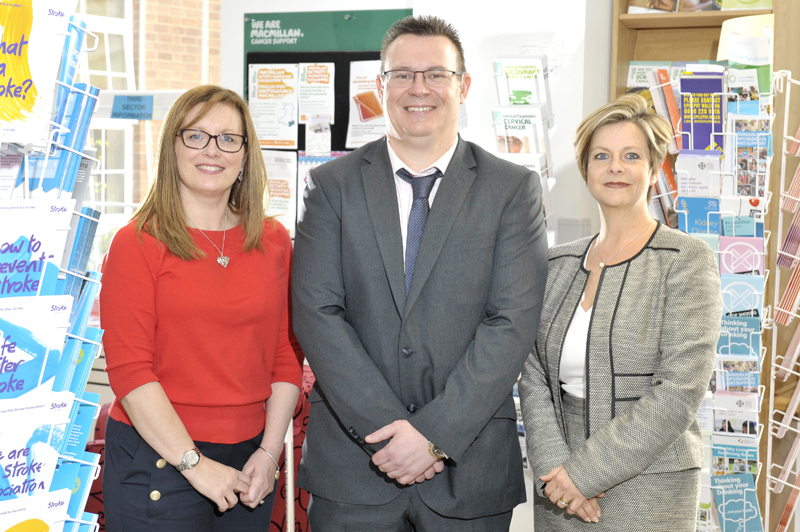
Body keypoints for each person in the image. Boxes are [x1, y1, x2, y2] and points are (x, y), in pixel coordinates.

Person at [292, 14, 548, 531]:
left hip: (469, 471)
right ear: (381, 84)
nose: (419, 88)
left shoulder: (511, 189)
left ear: (463, 86)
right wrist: (389, 431)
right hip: (355, 469)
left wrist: (434, 435)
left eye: (436, 74)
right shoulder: (331, 186)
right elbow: (317, 314)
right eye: (403, 75)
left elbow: (512, 322)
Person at [100, 85, 302, 531]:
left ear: (245, 155)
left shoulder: (273, 241)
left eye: (229, 138)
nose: (212, 150)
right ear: (172, 146)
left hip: (252, 462)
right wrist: (194, 464)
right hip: (158, 456)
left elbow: (286, 356)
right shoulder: (137, 243)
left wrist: (269, 453)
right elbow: (131, 372)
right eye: (196, 136)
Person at [519, 93, 722, 530]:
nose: (615, 167)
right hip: (559, 488)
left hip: (649, 488)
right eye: (602, 156)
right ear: (586, 169)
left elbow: (680, 389)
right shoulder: (556, 264)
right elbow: (533, 373)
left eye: (631, 156)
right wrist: (555, 469)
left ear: (653, 170)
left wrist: (583, 475)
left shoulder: (685, 259)